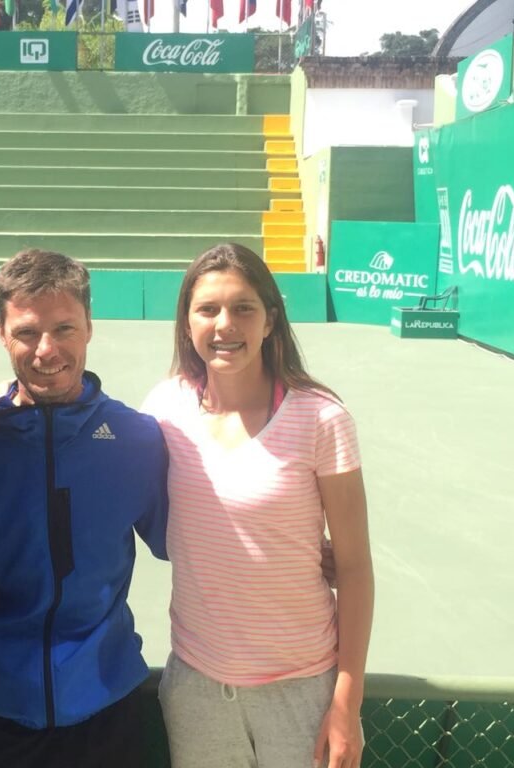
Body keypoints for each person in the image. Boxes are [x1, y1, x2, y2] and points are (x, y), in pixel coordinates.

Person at [141, 243, 374, 768]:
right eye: (208, 309)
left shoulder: (322, 419)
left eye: (244, 307)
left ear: (270, 320)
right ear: (186, 323)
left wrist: (346, 703)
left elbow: (355, 567)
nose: (225, 324)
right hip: (197, 690)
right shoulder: (163, 410)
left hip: (303, 693)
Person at [0, 249, 169, 768]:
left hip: (107, 706)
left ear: (90, 327)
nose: (47, 350)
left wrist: (302, 547)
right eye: (28, 332)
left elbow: (187, 540)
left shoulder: (136, 439)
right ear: (2, 333)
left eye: (64, 328)